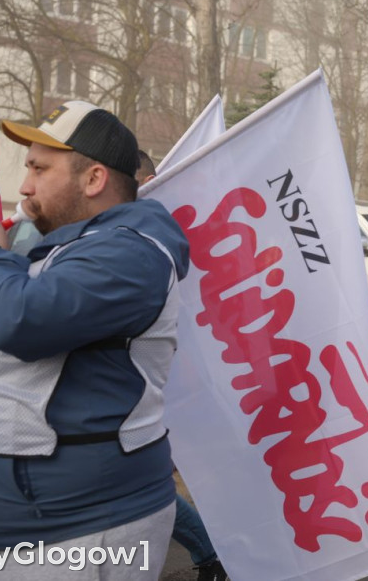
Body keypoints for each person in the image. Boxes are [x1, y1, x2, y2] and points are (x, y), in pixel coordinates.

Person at [0, 101, 189, 578]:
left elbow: (23, 323)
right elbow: (48, 367)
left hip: (78, 531)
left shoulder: (131, 252)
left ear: (93, 180)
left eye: (39, 168)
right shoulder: (75, 247)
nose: (24, 185)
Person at [136, 148, 227, 581]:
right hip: (143, 380)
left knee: (145, 487)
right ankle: (213, 553)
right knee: (144, 489)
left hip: (164, 378)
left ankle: (214, 551)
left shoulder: (151, 235)